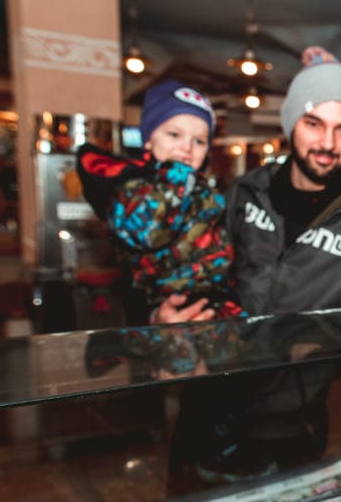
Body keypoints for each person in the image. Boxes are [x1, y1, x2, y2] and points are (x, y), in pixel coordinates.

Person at [155, 46, 341, 323]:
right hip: (239, 362)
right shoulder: (247, 193)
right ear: (291, 125)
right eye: (313, 124)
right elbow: (196, 267)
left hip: (326, 368)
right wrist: (162, 313)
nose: (327, 143)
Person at [77, 80, 244, 325]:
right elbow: (148, 232)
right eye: (174, 134)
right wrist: (176, 177)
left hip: (213, 308)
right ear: (148, 140)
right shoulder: (132, 190)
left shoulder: (199, 190)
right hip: (163, 312)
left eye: (199, 141)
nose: (186, 147)